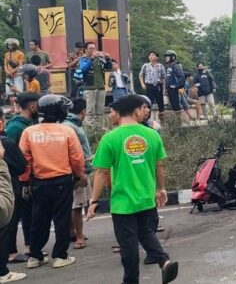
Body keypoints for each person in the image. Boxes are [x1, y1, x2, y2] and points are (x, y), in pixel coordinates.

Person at [86, 95, 179, 284]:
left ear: (119, 112)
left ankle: (131, 281)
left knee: (128, 244)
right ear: (137, 111)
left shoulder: (110, 138)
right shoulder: (152, 135)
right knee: (146, 233)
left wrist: (94, 201)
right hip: (146, 198)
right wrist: (161, 189)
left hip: (123, 203)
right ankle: (164, 261)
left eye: (111, 112)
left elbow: (102, 173)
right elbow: (159, 166)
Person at [19, 94, 85, 270]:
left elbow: (24, 160)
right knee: (61, 219)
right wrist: (79, 176)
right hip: (63, 180)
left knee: (38, 219)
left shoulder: (29, 132)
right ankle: (60, 256)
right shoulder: (66, 131)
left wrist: (25, 181)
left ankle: (35, 256)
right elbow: (77, 159)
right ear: (58, 112)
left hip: (39, 182)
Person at [3, 94, 38, 258]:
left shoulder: (30, 124)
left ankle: (29, 245)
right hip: (16, 178)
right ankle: (10, 252)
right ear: (32, 106)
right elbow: (9, 153)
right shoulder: (16, 127)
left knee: (28, 214)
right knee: (14, 215)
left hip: (28, 176)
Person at [0, 116, 29, 282]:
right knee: (5, 228)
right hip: (7, 191)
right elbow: (21, 166)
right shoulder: (6, 143)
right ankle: (3, 271)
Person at [62, 98, 93, 250]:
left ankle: (72, 232)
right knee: (78, 205)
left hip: (77, 168)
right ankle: (79, 236)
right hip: (78, 170)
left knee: (74, 203)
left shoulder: (69, 124)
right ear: (83, 112)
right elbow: (74, 152)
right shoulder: (71, 126)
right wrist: (80, 171)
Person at [79, 42, 113, 129]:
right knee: (90, 110)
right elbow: (84, 69)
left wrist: (108, 59)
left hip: (101, 86)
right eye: (90, 48)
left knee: (100, 110)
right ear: (86, 49)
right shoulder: (83, 59)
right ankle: (90, 129)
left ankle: (99, 128)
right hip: (90, 87)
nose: (93, 50)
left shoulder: (99, 59)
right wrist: (91, 59)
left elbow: (108, 67)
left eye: (94, 48)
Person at [139, 51, 165, 120]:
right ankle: (147, 119)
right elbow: (141, 75)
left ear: (157, 57)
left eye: (153, 55)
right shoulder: (145, 65)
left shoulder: (160, 66)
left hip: (158, 86)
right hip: (149, 86)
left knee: (160, 103)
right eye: (150, 55)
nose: (151, 56)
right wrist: (142, 84)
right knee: (148, 103)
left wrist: (163, 86)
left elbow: (164, 77)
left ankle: (162, 119)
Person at [163, 51, 185, 117]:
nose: (166, 58)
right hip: (169, 88)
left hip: (174, 88)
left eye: (168, 56)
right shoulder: (168, 66)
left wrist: (177, 86)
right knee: (172, 104)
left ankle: (179, 120)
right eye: (166, 56)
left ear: (172, 57)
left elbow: (181, 76)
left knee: (176, 104)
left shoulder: (175, 66)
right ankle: (176, 120)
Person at [4, 39, 25, 104]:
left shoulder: (20, 53)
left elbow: (21, 64)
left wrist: (13, 70)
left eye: (11, 45)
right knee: (9, 92)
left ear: (15, 45)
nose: (9, 46)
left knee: (19, 91)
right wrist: (7, 71)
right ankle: (12, 107)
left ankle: (19, 107)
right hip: (9, 76)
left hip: (17, 75)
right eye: (8, 45)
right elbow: (5, 64)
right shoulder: (7, 54)